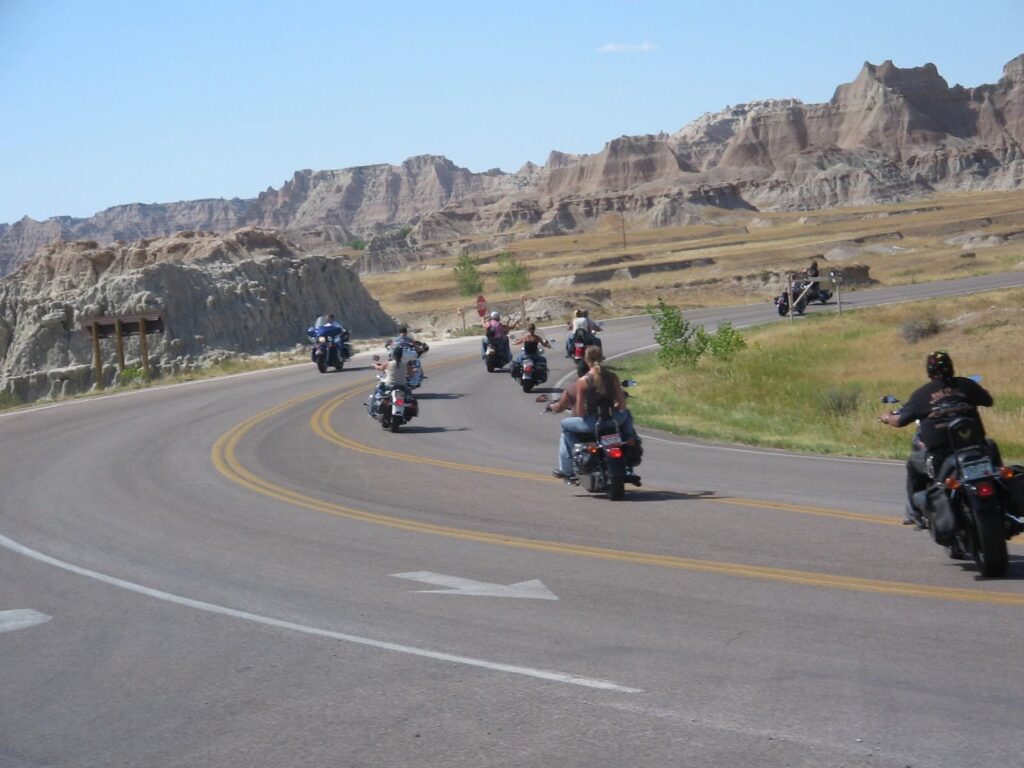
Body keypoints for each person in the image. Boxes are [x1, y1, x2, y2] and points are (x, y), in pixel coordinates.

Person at [878, 350, 994, 525]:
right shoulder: (966, 385)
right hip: (976, 446)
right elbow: (988, 400)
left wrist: (887, 417)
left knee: (913, 464)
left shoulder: (922, 394)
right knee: (992, 452)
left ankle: (915, 513)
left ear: (929, 372)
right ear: (951, 368)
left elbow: (900, 420)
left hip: (942, 452)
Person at [552, 345, 638, 480]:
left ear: (586, 360)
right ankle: (629, 437)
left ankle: (567, 468)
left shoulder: (582, 381)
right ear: (602, 358)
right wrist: (614, 408)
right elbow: (622, 405)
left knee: (565, 425)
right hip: (613, 421)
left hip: (592, 424)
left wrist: (587, 411)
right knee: (626, 413)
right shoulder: (612, 377)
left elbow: (580, 412)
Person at [370, 345, 408, 415]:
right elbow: (410, 372)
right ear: (401, 355)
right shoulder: (405, 364)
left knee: (377, 389)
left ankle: (372, 410)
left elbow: (380, 368)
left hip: (389, 385)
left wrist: (374, 365)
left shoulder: (388, 363)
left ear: (393, 354)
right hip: (402, 386)